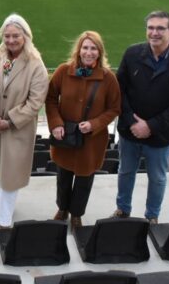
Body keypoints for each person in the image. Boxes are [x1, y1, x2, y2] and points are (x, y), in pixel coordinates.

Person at [113, 11, 169, 223]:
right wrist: (132, 121)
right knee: (125, 172)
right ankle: (123, 209)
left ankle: (152, 216)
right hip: (129, 131)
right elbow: (118, 91)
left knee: (157, 178)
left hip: (161, 136)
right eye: (151, 27)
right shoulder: (132, 54)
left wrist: (151, 126)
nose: (154, 33)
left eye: (160, 28)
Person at [46, 31, 121, 230]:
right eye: (85, 48)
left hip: (92, 142)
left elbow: (114, 108)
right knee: (63, 176)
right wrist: (56, 124)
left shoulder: (108, 78)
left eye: (93, 48)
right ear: (78, 51)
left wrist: (94, 124)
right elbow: (51, 99)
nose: (88, 52)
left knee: (84, 180)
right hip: (65, 137)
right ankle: (62, 209)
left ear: (99, 52)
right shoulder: (63, 71)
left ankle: (77, 214)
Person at [0, 14, 49, 229]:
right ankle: (1, 200)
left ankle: (4, 220)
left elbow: (35, 102)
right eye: (7, 36)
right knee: (2, 169)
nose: (11, 40)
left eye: (16, 36)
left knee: (11, 173)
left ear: (25, 36)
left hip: (17, 129)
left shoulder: (36, 65)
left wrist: (9, 121)